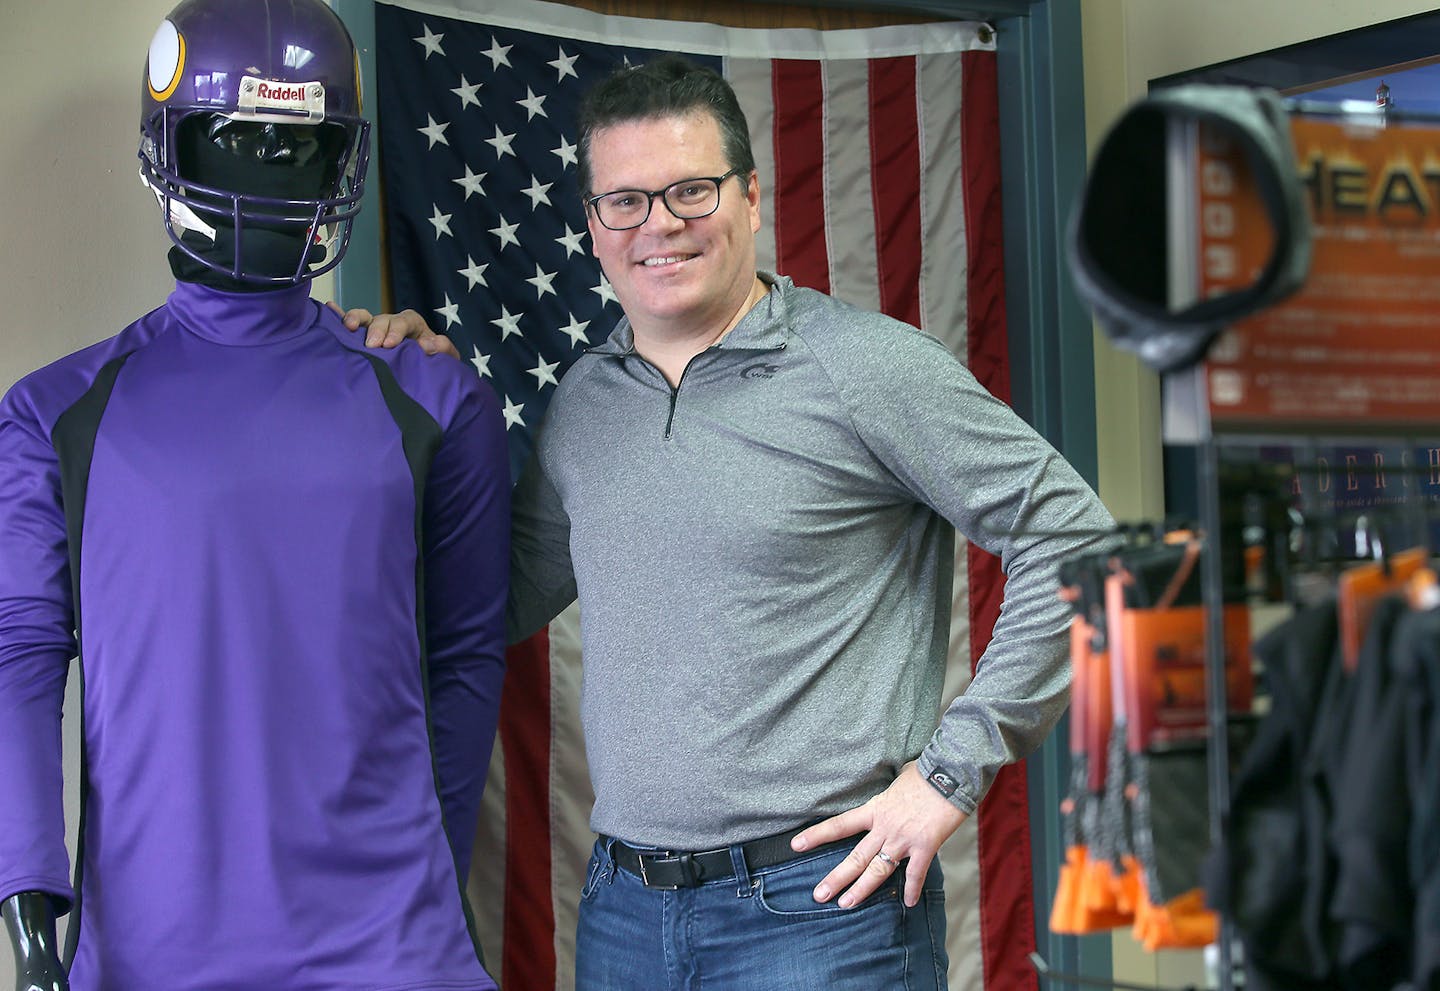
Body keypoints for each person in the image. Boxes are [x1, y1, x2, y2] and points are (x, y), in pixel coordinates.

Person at [350, 54, 1115, 990]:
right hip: (625, 911)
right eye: (624, 201)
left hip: (824, 912)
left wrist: (950, 774)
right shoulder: (587, 402)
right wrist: (402, 393)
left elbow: (1077, 540)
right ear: (593, 226)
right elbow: (487, 601)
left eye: (692, 190)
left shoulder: (862, 366)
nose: (659, 225)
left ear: (751, 197)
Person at [0, 2, 509, 988]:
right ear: (167, 146)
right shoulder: (56, 415)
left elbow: (465, 658)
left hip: (395, 949)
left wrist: (428, 878)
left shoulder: (436, 397)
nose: (271, 174)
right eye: (237, 140)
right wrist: (30, 896)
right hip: (152, 951)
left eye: (301, 146)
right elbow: (19, 657)